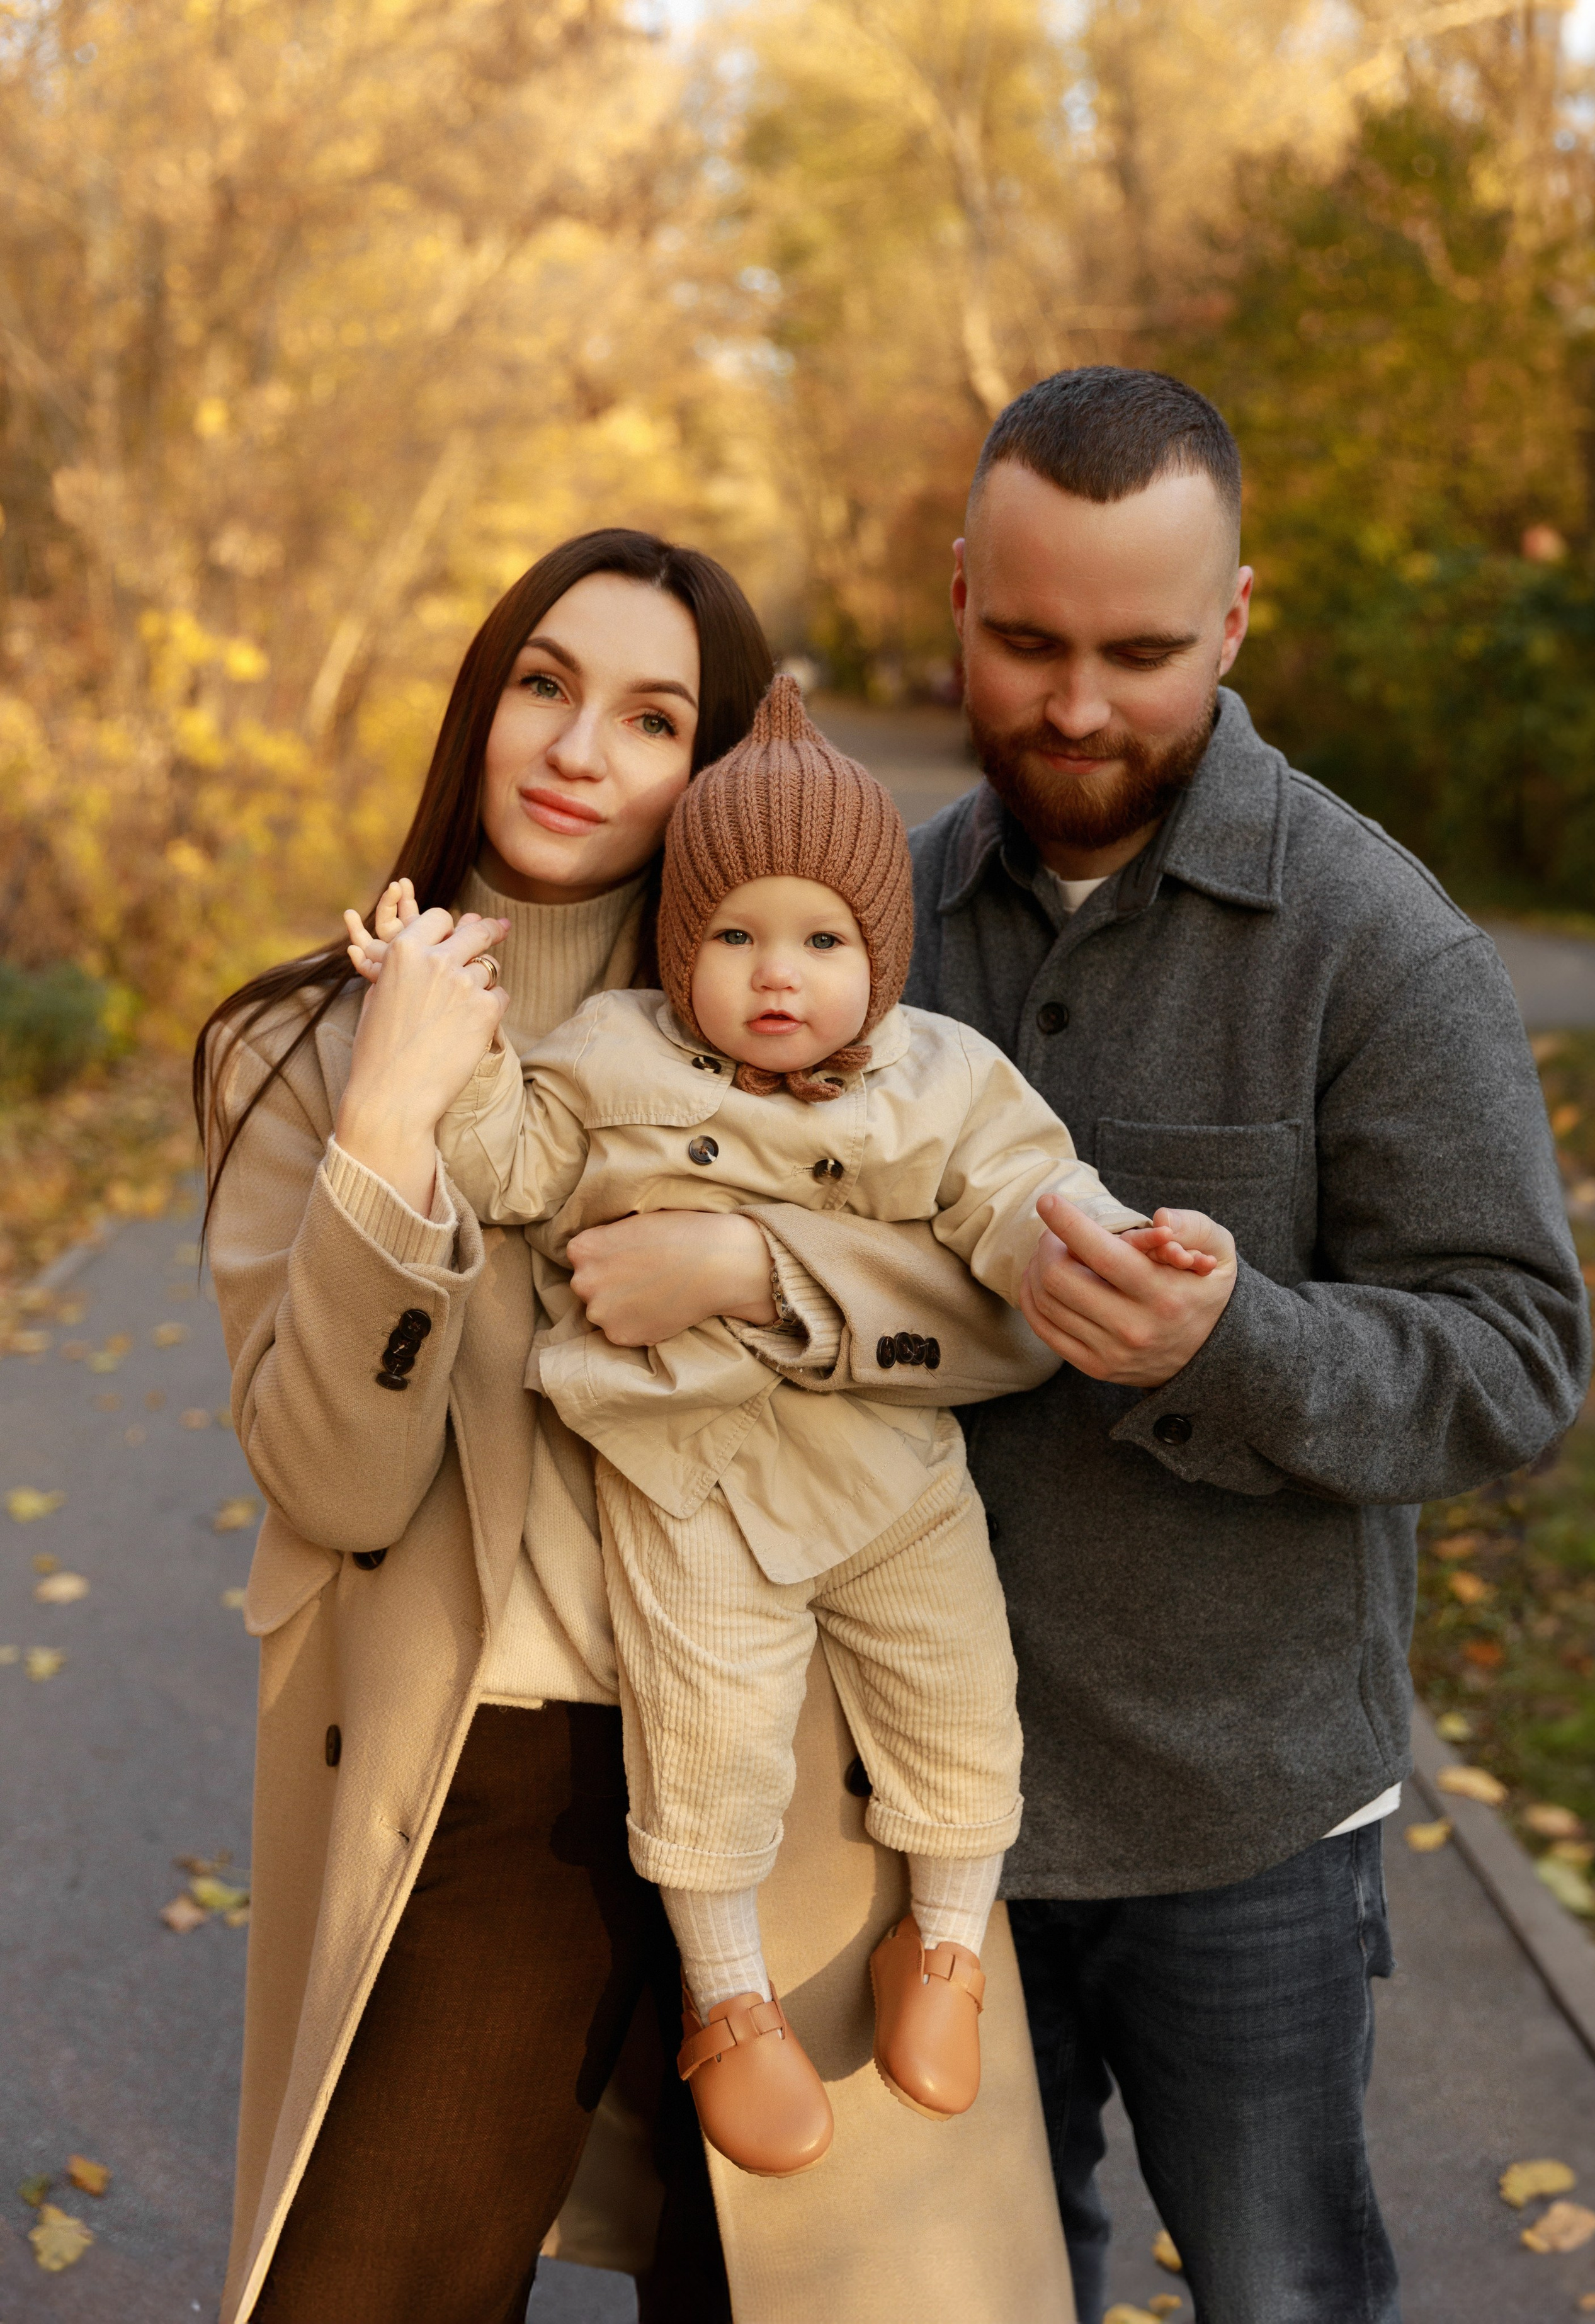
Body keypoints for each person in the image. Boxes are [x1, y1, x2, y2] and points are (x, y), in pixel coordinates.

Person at [198, 528, 1077, 2324]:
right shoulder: (297, 1047)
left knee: (784, 2290)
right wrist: (392, 1115)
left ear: (723, 762)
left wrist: (758, 1264)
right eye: (544, 682)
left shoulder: (828, 1022)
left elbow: (1011, 1308)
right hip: (488, 1761)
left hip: (800, 1756)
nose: (580, 745)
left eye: (653, 714)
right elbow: (336, 1480)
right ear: (483, 702)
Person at [905, 367, 1591, 2323]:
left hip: (1249, 1824)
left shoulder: (1384, 944)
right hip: (928, 1810)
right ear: (958, 590)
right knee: (972, 2297)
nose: (1078, 704)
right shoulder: (885, 923)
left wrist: (1236, 1339)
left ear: (1235, 618)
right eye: (1028, 639)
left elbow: (1519, 1356)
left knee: (1284, 2294)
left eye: (1140, 649)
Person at [346, 677, 1218, 2177]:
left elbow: (1016, 1191)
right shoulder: (612, 1054)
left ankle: (941, 1949)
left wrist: (1106, 1237)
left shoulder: (934, 1074)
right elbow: (508, 1162)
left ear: (878, 957)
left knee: (959, 1697)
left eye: (821, 941)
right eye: (735, 936)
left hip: (889, 1471)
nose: (775, 976)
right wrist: (455, 1043)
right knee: (710, 1746)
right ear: (683, 944)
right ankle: (728, 2002)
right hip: (690, 1482)